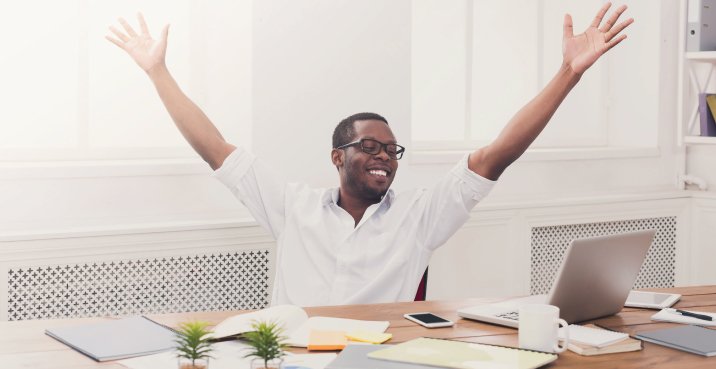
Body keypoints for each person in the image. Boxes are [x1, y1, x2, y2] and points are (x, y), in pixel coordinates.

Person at [105, 4, 632, 307]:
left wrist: (568, 74)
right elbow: (215, 148)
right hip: (295, 365)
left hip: (377, 366)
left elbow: (496, 155)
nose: (384, 157)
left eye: (391, 150)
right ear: (337, 157)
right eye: (369, 147)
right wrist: (157, 71)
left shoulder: (420, 216)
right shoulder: (292, 207)